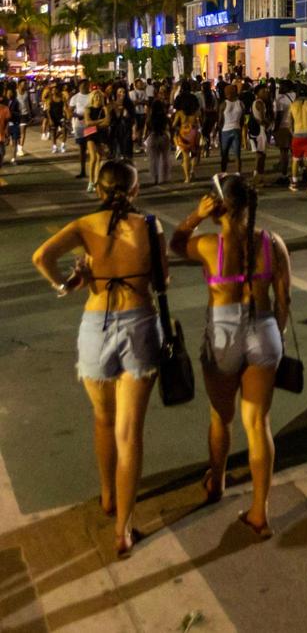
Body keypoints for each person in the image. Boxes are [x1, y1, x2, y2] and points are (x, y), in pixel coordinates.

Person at [31, 161, 163, 557]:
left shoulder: (85, 225)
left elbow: (41, 256)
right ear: (135, 190)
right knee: (130, 431)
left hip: (96, 323)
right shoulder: (149, 226)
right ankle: (123, 528)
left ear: (98, 188)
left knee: (103, 419)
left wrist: (69, 282)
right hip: (139, 323)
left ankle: (107, 496)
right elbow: (162, 282)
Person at [170, 176, 291, 539]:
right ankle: (259, 512)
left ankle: (218, 481)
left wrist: (195, 215)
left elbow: (175, 245)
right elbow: (284, 299)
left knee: (221, 417)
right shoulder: (272, 244)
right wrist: (275, 337)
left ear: (219, 207)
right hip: (265, 327)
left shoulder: (210, 245)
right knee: (259, 424)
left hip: (224, 333)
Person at [172, 96, 202, 184]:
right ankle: (192, 170)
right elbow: (200, 123)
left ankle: (187, 177)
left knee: (185, 156)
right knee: (194, 153)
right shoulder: (196, 113)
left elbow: (174, 125)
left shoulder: (180, 113)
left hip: (184, 133)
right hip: (194, 132)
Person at [143, 94, 172, 187]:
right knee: (164, 158)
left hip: (153, 137)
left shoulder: (150, 117)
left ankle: (155, 177)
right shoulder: (165, 117)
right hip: (163, 136)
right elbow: (169, 127)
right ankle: (164, 177)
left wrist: (143, 138)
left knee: (153, 159)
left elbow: (146, 129)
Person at [218, 84, 244, 175]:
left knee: (224, 154)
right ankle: (238, 173)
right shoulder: (240, 103)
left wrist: (218, 130)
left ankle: (223, 173)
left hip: (226, 130)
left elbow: (220, 120)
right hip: (237, 129)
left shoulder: (223, 104)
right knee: (237, 155)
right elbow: (242, 119)